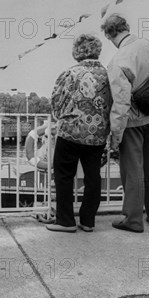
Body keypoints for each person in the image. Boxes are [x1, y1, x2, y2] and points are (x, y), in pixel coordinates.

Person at [101, 13, 149, 233]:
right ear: (127, 27)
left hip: (134, 121)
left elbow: (120, 103)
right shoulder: (148, 44)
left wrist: (115, 138)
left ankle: (133, 219)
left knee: (133, 171)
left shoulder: (118, 61)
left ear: (109, 35)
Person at [46, 34, 111, 233]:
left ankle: (65, 220)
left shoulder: (69, 73)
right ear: (97, 50)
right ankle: (88, 221)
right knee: (93, 176)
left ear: (77, 52)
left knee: (64, 174)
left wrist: (61, 117)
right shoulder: (107, 75)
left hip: (71, 132)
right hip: (97, 133)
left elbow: (56, 102)